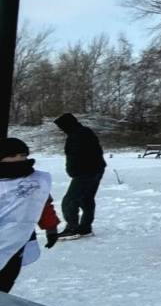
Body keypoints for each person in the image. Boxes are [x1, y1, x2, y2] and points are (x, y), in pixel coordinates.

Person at [0, 138, 59, 293]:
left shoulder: (36, 181)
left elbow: (43, 204)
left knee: (7, 277)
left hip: (19, 239)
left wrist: (51, 227)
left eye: (22, 155)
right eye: (12, 156)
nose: (19, 159)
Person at [52, 113, 106, 241]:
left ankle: (72, 229)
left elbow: (77, 156)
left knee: (69, 201)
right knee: (86, 199)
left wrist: (74, 171)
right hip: (95, 170)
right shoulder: (83, 132)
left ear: (67, 125)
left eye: (61, 127)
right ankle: (85, 228)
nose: (61, 130)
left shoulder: (78, 135)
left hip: (86, 173)